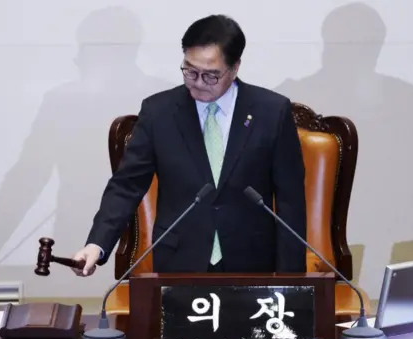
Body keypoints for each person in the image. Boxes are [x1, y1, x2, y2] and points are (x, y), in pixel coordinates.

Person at [72, 14, 307, 276]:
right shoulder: (158, 112)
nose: (197, 82)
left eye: (210, 76)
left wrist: (292, 280)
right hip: (179, 262)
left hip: (252, 262)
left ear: (235, 67)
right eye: (190, 70)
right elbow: (127, 184)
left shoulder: (271, 111)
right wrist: (97, 244)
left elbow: (290, 200)